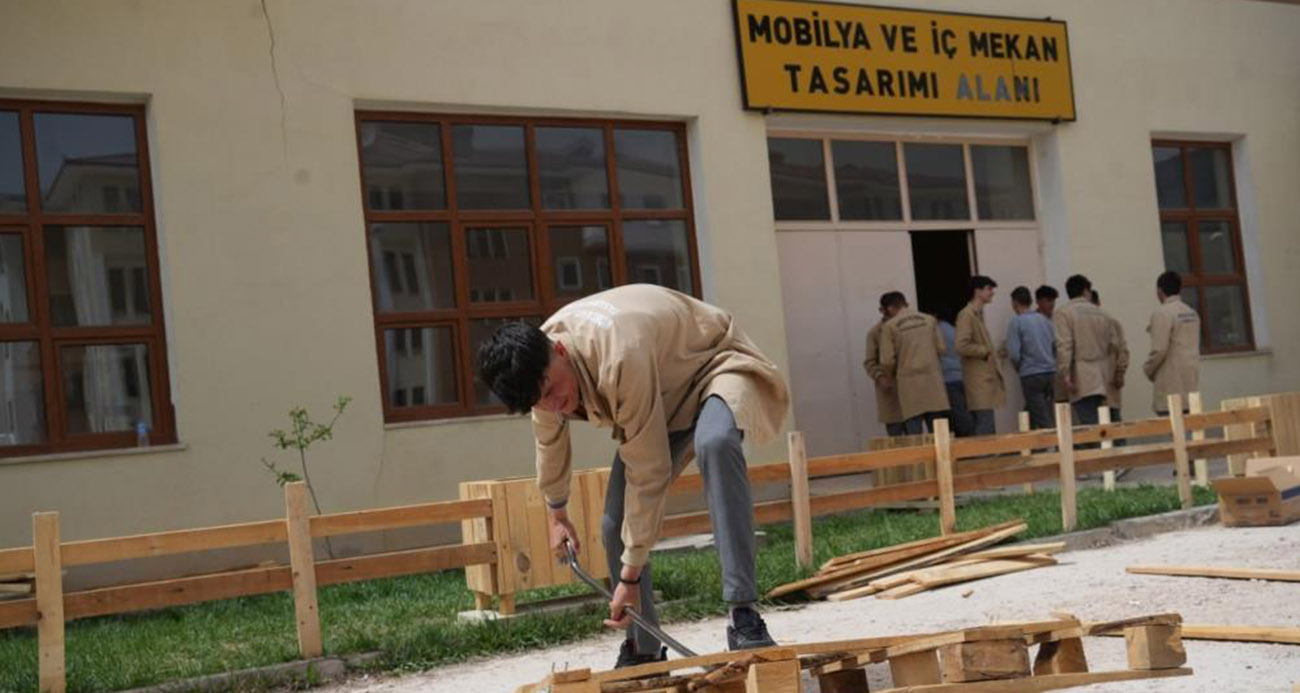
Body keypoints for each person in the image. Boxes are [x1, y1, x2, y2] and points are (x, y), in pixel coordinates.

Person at [476, 285, 788, 668]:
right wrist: (557, 515)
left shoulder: (619, 355)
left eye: (553, 391)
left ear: (560, 350)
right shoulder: (535, 369)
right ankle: (643, 646)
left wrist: (630, 576)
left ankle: (744, 617)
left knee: (716, 442)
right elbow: (549, 442)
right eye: (539, 402)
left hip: (713, 367)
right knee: (615, 523)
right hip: (660, 398)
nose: (553, 404)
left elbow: (649, 471)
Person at [1053, 274, 1121, 427]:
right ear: (1086, 291)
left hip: (1081, 377)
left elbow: (1065, 345)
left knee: (1088, 425)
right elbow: (1114, 345)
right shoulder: (1103, 313)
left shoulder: (1064, 313)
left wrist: (1065, 374)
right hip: (1104, 376)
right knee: (1106, 424)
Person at [878, 292, 949, 434]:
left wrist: (888, 376)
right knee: (937, 430)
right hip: (932, 381)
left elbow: (887, 361)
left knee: (914, 431)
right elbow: (941, 348)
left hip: (908, 384)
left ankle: (920, 456)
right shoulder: (929, 320)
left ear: (890, 308)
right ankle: (941, 456)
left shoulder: (890, 326)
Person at [1144, 271, 1201, 415]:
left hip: (1170, 382)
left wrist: (1148, 369)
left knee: (1175, 429)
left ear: (1159, 291)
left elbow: (1159, 349)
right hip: (1190, 380)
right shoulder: (1192, 313)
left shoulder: (1162, 313)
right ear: (1180, 289)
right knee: (1191, 428)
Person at [955, 276, 1005, 435]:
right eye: (989, 289)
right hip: (978, 379)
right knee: (985, 424)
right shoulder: (966, 315)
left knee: (987, 423)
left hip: (984, 378)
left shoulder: (976, 314)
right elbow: (961, 345)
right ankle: (984, 458)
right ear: (977, 291)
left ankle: (988, 457)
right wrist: (984, 351)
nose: (992, 293)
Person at [1005, 286, 1056, 430]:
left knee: (1041, 414)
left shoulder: (1016, 322)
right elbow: (1054, 345)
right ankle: (1030, 441)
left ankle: (1054, 443)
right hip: (1049, 372)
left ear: (1015, 303)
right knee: (1037, 409)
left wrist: (1019, 367)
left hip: (1031, 373)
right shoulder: (1045, 320)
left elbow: (1014, 353)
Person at [865, 301, 906, 436]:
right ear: (881, 310)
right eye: (887, 309)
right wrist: (880, 377)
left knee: (915, 437)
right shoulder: (875, 333)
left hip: (909, 389)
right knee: (895, 436)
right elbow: (870, 362)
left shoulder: (907, 327)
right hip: (890, 391)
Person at [1090, 289, 1129, 425]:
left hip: (1110, 381)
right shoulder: (1083, 326)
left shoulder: (1111, 322)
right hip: (1092, 384)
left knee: (1114, 421)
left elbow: (1122, 350)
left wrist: (1120, 372)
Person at [937, 307, 974, 437]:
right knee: (961, 410)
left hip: (946, 377)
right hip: (960, 374)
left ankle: (967, 441)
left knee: (955, 416)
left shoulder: (937, 331)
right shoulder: (954, 330)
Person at [1036, 285, 1068, 404]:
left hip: (1057, 368)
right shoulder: (1032, 321)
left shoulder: (1057, 319)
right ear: (1039, 301)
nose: (1052, 304)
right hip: (1040, 370)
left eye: (1053, 301)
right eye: (1048, 300)